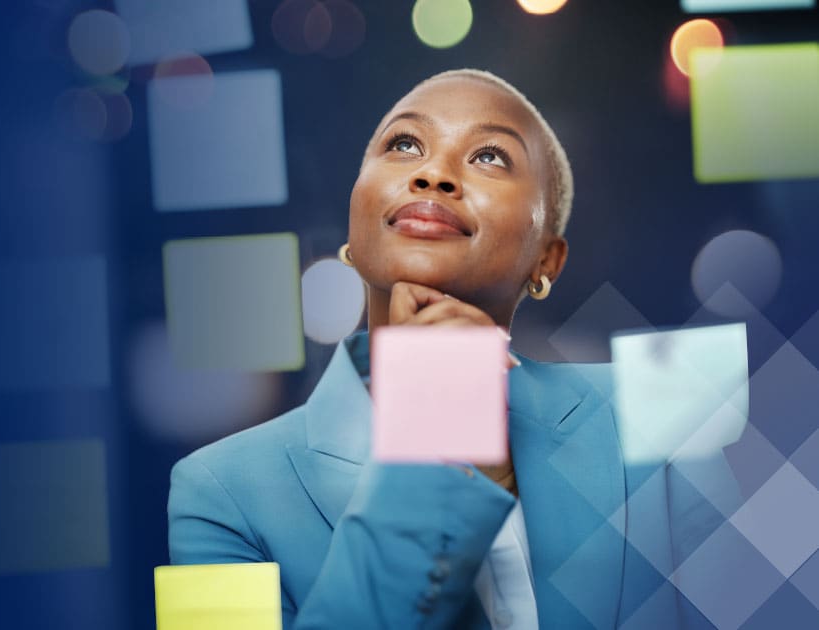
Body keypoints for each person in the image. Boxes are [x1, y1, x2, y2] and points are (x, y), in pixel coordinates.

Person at [166, 69, 734, 629]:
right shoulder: (214, 494)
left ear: (547, 259)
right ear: (353, 234)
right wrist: (427, 456)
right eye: (404, 144)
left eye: (490, 156)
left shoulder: (676, 402)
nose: (433, 173)